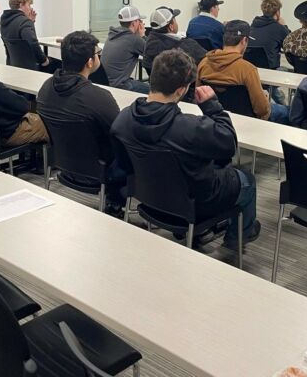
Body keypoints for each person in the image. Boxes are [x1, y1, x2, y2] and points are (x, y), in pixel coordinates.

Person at [111, 49, 260, 249]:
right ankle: (237, 236)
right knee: (247, 180)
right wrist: (212, 106)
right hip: (196, 203)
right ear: (181, 90)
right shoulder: (191, 128)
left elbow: (124, 165)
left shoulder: (123, 119)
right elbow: (228, 145)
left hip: (148, 197)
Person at [36, 31, 126, 212]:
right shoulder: (98, 97)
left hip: (62, 163)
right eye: (97, 53)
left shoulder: (45, 88)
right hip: (98, 172)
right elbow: (120, 134)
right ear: (90, 62)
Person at [197, 20, 290, 124]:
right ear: (244, 40)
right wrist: (264, 98)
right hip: (246, 121)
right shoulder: (247, 70)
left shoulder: (203, 64)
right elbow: (261, 110)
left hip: (214, 120)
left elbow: (199, 97)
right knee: (288, 111)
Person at [0, 0, 59, 73]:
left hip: (14, 66)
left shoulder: (5, 21)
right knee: (60, 65)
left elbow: (21, 38)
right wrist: (44, 60)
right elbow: (32, 43)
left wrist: (31, 22)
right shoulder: (24, 22)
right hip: (31, 68)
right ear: (21, 5)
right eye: (29, 5)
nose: (30, 8)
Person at [143, 6, 206, 74]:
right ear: (171, 27)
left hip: (157, 83)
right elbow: (207, 60)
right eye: (174, 20)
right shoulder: (187, 45)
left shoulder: (149, 43)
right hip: (186, 83)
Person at [101, 5, 149, 93]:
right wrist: (142, 35)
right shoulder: (134, 39)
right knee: (154, 91)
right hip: (119, 85)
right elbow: (151, 53)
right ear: (134, 23)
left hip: (105, 82)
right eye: (140, 21)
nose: (141, 23)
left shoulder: (112, 34)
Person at [249, 0, 290, 69]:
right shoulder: (279, 28)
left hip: (251, 68)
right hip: (271, 70)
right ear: (277, 12)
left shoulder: (252, 26)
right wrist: (284, 26)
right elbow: (290, 44)